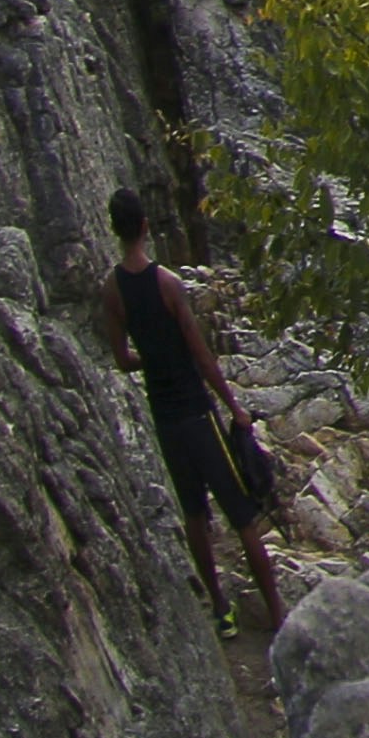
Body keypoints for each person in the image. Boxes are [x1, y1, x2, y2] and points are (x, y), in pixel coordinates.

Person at [99, 187, 282, 639]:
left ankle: (220, 609)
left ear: (115, 229)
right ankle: (277, 613)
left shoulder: (112, 289)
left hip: (164, 418)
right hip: (199, 414)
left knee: (194, 515)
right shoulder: (167, 284)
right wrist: (235, 408)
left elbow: (121, 358)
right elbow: (203, 358)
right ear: (145, 227)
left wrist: (151, 359)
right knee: (241, 514)